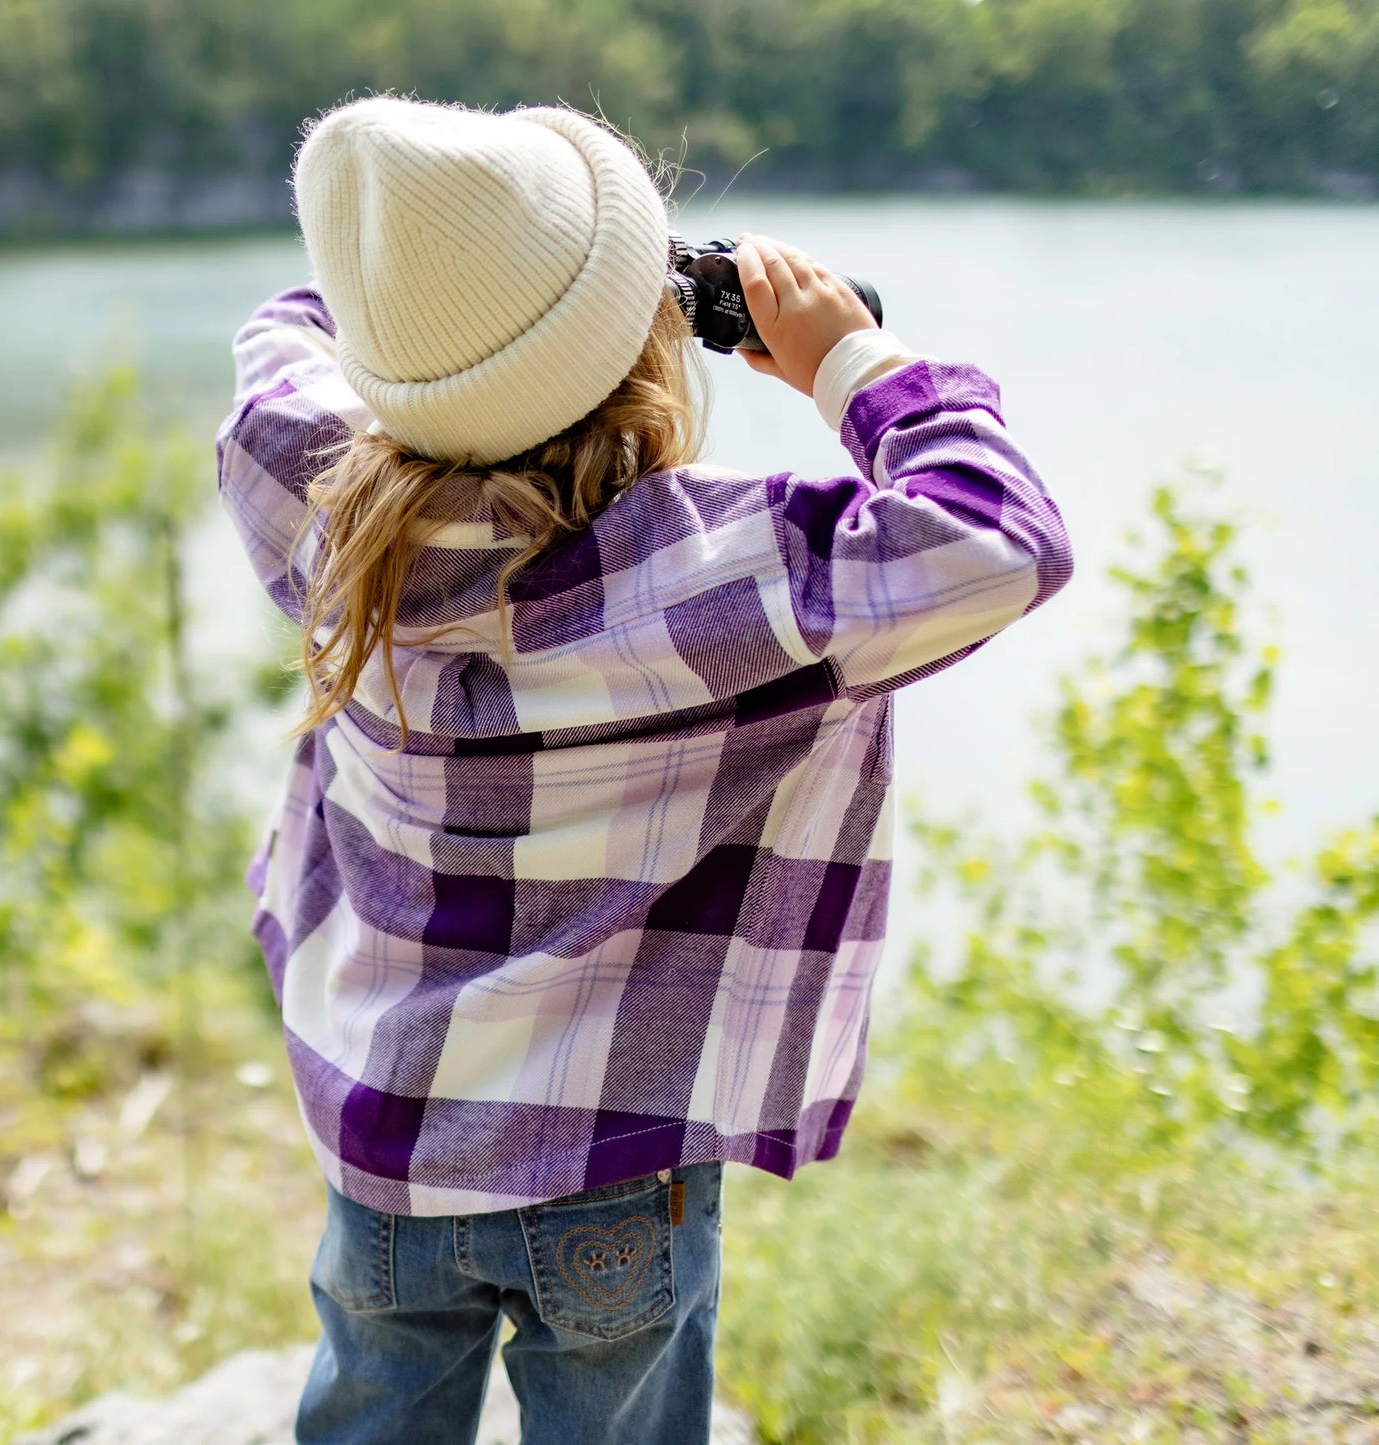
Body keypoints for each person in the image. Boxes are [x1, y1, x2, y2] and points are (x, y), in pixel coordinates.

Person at [215, 95, 1072, 1445]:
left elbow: (293, 323)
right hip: (608, 1164)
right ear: (638, 349)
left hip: (387, 1139)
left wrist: (475, 280)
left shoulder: (311, 495)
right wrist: (848, 357)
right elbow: (996, 536)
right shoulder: (714, 580)